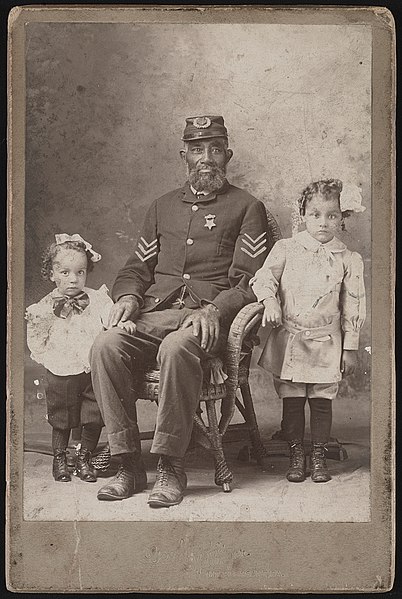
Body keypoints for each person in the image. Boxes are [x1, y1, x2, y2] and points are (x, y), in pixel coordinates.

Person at [90, 115, 276, 507]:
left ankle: (171, 467)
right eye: (196, 149)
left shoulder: (247, 207)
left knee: (177, 347)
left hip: (208, 321)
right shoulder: (161, 207)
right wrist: (128, 297)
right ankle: (128, 463)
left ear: (227, 154)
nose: (205, 158)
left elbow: (249, 280)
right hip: (156, 313)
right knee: (106, 344)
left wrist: (214, 310)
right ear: (184, 156)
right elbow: (137, 268)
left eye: (213, 149)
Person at [251, 179, 366, 483]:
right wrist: (270, 301)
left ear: (342, 218)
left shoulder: (349, 259)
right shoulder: (286, 249)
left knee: (320, 400)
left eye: (332, 215)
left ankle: (317, 455)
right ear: (303, 214)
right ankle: (295, 454)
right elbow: (263, 279)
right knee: (292, 400)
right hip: (291, 339)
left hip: (327, 341)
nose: (323, 222)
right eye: (315, 214)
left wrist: (350, 347)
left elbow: (353, 304)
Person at [25, 234, 125, 483]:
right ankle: (59, 458)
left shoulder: (98, 299)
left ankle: (85, 457)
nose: (73, 279)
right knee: (62, 416)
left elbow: (111, 319)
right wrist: (45, 356)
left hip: (91, 369)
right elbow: (36, 336)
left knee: (93, 414)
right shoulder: (44, 307)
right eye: (65, 272)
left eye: (80, 272)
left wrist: (123, 322)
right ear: (52, 274)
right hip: (62, 368)